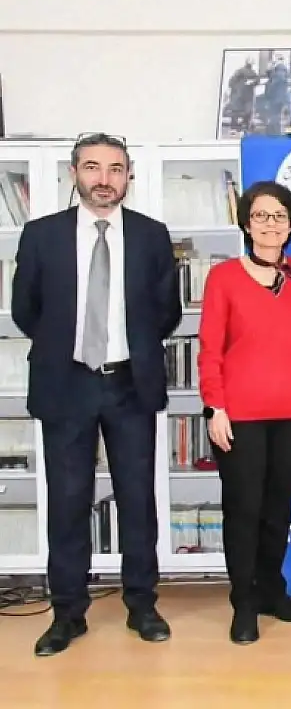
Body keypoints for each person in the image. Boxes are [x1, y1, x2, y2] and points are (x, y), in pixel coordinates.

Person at [11, 133, 181, 656]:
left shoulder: (151, 235)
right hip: (66, 383)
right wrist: (68, 347)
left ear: (128, 177)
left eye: (115, 169)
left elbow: (166, 311)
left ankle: (142, 604)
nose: (104, 179)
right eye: (92, 167)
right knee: (67, 501)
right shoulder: (42, 235)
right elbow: (25, 310)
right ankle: (67, 613)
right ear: (74, 174)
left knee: (137, 499)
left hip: (130, 383)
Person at [197, 180, 291, 645]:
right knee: (244, 510)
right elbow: (210, 349)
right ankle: (244, 602)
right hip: (240, 415)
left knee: (277, 509)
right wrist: (214, 407)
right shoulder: (223, 277)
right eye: (260, 216)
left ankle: (273, 591)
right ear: (246, 224)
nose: (270, 224)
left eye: (279, 216)